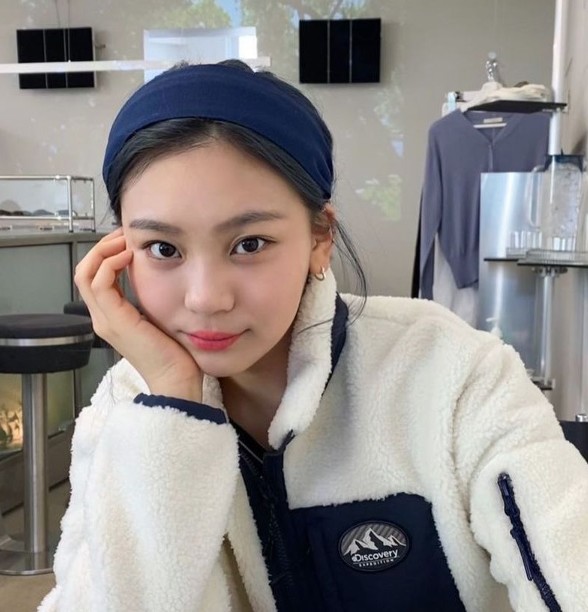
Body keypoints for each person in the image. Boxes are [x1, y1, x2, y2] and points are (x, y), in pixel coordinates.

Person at [39, 60, 588, 612]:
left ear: (320, 237)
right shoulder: (125, 410)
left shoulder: (452, 372)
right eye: (163, 249)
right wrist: (172, 406)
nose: (206, 298)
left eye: (249, 244)